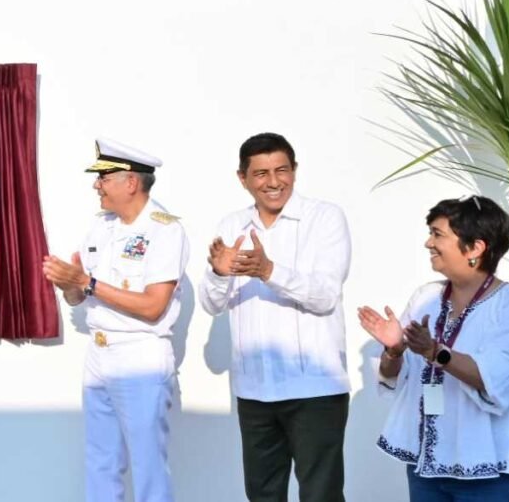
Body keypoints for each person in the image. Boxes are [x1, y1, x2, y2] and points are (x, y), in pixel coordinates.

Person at [199, 132, 352, 502]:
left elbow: (325, 295)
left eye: (282, 170)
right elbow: (211, 304)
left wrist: (270, 271)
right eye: (261, 173)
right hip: (254, 389)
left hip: (315, 387)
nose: (273, 182)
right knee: (263, 494)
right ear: (243, 179)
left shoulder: (325, 218)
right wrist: (219, 274)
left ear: (295, 171)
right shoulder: (232, 224)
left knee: (321, 495)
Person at [43, 137, 190, 502]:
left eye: (104, 178)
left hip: (140, 354)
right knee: (100, 461)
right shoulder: (101, 227)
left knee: (147, 464)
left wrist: (86, 283)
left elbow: (153, 306)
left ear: (131, 182)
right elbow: (81, 295)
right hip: (100, 352)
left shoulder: (165, 230)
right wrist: (70, 284)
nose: (97, 186)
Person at [358, 196, 509, 502]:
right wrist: (395, 350)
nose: (428, 243)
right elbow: (395, 378)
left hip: (488, 471)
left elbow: (493, 377)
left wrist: (435, 352)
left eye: (438, 234)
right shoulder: (427, 296)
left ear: (475, 248)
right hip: (426, 466)